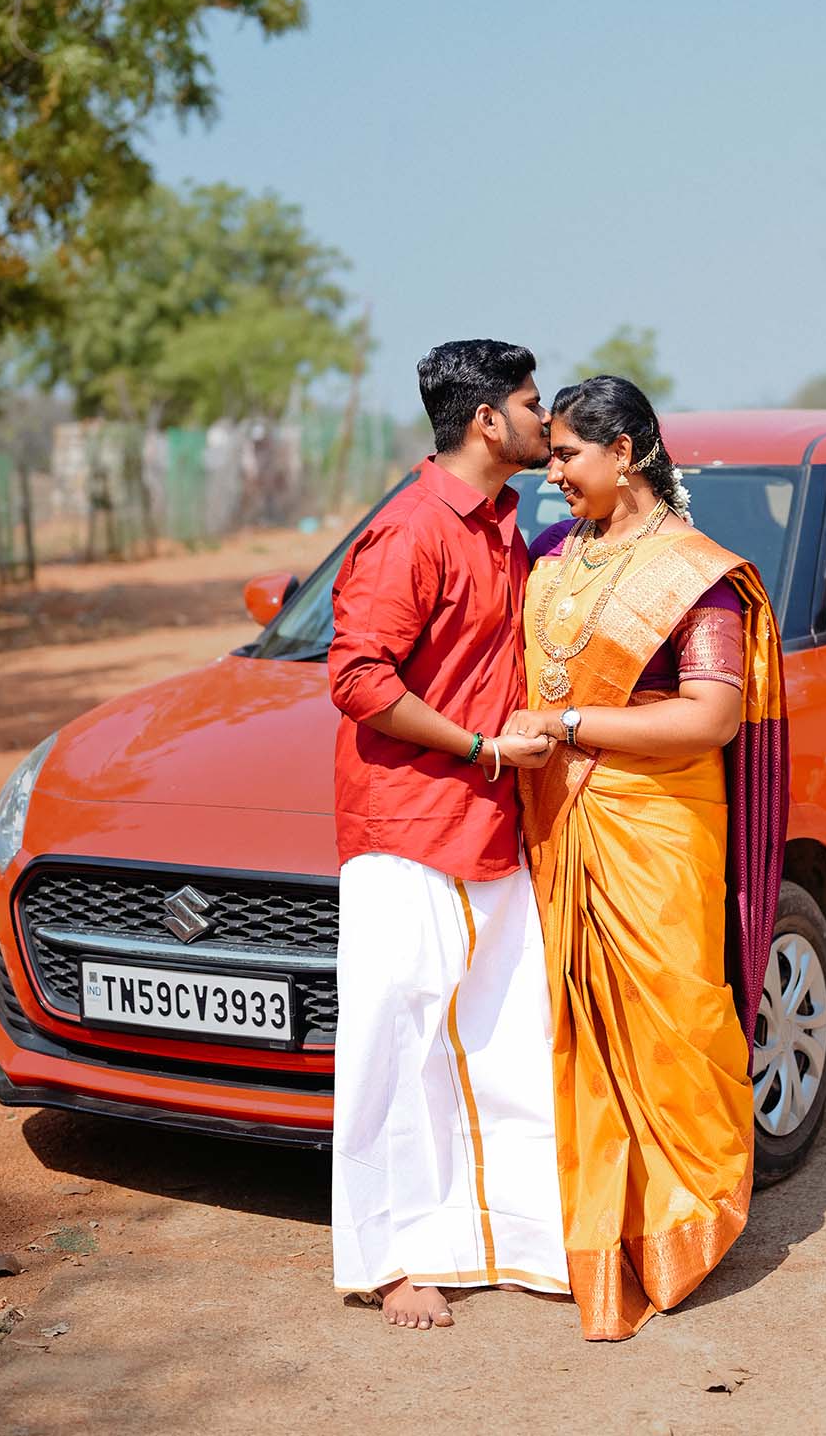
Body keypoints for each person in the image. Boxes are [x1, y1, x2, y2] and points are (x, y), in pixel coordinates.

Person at [506, 375, 789, 1341]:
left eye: (566, 456)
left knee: (671, 1019)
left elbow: (710, 717)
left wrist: (573, 722)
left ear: (625, 452)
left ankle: (678, 1222)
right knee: (575, 1026)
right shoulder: (555, 555)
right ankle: (594, 1232)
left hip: (657, 822)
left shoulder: (695, 573)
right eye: (547, 454)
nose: (551, 475)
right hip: (563, 819)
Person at [327, 339, 569, 1331]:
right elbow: (356, 679)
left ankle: (506, 1241)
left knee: (503, 1045)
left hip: (492, 824)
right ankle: (391, 1264)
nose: (543, 419)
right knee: (394, 1051)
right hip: (409, 825)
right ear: (486, 422)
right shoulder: (413, 529)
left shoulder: (509, 523)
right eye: (530, 402)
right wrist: (476, 743)